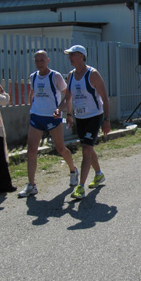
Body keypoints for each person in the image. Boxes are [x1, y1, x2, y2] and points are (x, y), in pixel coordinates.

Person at [19, 50, 79, 198]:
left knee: (60, 148)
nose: (39, 63)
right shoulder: (33, 77)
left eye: (42, 60)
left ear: (47, 60)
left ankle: (73, 170)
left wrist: (66, 113)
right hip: (36, 117)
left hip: (53, 118)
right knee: (31, 150)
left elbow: (68, 95)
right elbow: (32, 94)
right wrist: (31, 107)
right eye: (36, 61)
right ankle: (31, 185)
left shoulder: (55, 76)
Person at [55, 45, 111, 200]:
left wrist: (106, 120)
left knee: (86, 148)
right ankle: (99, 174)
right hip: (80, 117)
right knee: (88, 146)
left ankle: (80, 186)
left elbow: (105, 98)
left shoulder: (92, 74)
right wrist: (61, 110)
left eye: (72, 54)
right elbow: (68, 98)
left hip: (94, 116)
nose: (70, 58)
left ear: (81, 56)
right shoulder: (71, 75)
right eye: (69, 55)